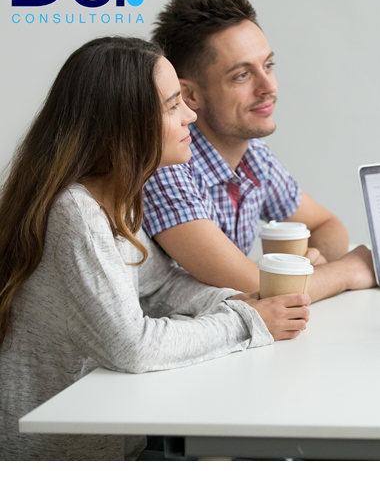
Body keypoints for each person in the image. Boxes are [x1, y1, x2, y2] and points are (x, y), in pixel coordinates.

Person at [0, 37, 310, 461]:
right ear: (125, 124)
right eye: (172, 105)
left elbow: (159, 286)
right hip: (57, 463)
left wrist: (234, 300)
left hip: (112, 445)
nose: (191, 115)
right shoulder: (75, 212)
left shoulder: (118, 198)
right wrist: (247, 321)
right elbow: (134, 346)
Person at [143, 0, 375, 301]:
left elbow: (327, 225)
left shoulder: (254, 156)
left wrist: (314, 259)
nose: (268, 87)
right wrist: (348, 271)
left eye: (268, 65)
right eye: (241, 75)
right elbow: (255, 287)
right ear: (190, 95)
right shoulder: (166, 164)